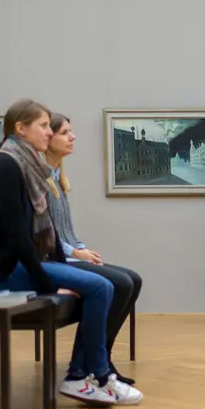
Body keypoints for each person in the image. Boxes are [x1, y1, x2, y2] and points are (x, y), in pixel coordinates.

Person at [0, 98, 143, 405]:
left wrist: (67, 270)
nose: (49, 132)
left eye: (51, 126)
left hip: (21, 262)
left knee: (105, 284)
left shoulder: (26, 165)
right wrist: (49, 284)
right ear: (20, 129)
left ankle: (84, 374)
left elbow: (43, 234)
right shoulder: (5, 166)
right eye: (44, 125)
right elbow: (17, 236)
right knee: (101, 285)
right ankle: (92, 376)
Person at [44, 113, 143, 386]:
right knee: (120, 283)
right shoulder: (38, 180)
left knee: (132, 279)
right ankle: (89, 364)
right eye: (65, 132)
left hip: (67, 255)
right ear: (48, 138)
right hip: (55, 260)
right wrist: (75, 254)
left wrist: (82, 248)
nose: (72, 137)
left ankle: (103, 358)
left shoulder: (57, 178)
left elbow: (66, 228)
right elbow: (43, 234)